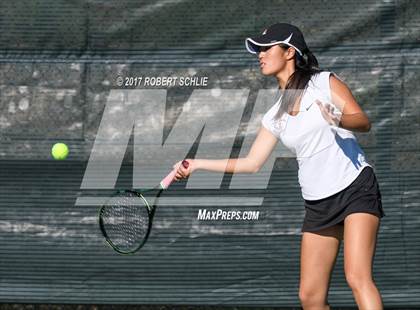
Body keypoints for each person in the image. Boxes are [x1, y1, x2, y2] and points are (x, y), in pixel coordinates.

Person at [173, 23, 385, 309]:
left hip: (355, 187)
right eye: (258, 50)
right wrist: (197, 164)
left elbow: (363, 121)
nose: (260, 54)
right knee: (310, 298)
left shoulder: (324, 83)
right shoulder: (275, 114)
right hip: (318, 202)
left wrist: (338, 119)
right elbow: (251, 163)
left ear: (289, 52)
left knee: (357, 277)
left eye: (266, 48)